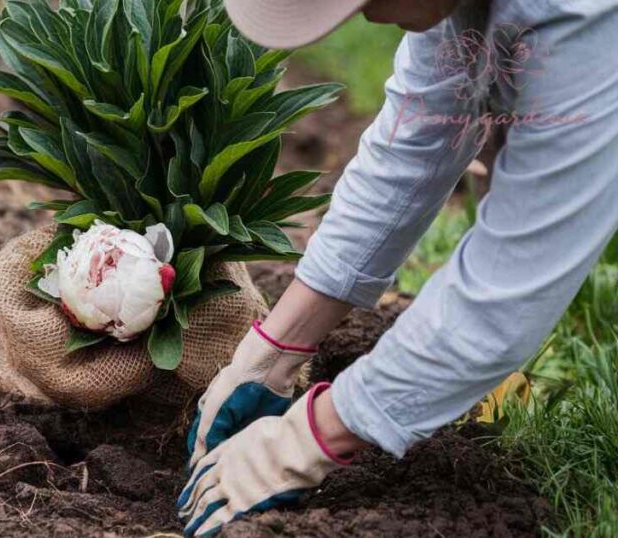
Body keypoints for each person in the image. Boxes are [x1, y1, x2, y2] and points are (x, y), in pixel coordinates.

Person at [180, 0, 618, 535]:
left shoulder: (586, 19)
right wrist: (274, 348)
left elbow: (512, 286)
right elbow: (412, 148)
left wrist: (308, 439)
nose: (363, 17)